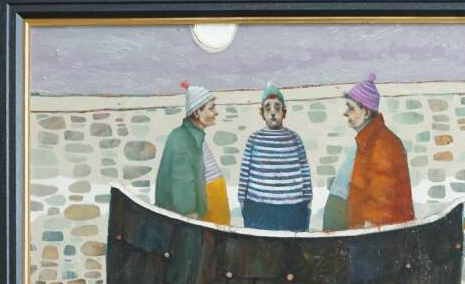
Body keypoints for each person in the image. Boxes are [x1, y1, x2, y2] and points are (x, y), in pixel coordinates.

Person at [323, 72, 414, 230]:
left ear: (365, 112)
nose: (345, 113)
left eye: (351, 108)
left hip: (369, 235)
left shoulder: (384, 144)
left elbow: (383, 195)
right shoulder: (366, 141)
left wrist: (368, 227)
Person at [237, 81, 312, 231]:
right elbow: (245, 172)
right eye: (267, 108)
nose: (272, 112)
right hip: (258, 207)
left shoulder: (294, 138)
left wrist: (308, 201)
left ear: (284, 112)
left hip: (292, 208)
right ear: (262, 113)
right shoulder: (254, 139)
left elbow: (305, 170)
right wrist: (241, 200)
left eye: (277, 107)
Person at [154, 81, 230, 225]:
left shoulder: (195, 136)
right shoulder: (182, 138)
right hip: (203, 220)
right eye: (211, 108)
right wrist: (190, 216)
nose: (216, 112)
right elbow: (182, 180)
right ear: (196, 112)